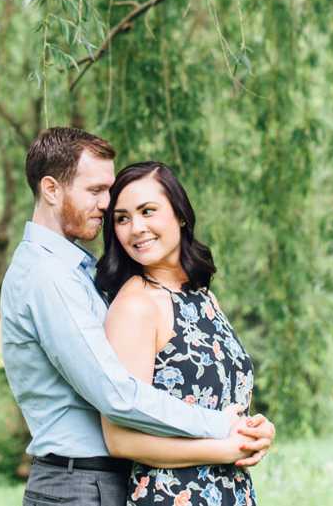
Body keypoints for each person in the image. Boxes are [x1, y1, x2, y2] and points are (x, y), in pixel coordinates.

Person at [1, 128, 275, 506]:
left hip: (99, 480)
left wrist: (248, 429)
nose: (105, 203)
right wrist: (225, 428)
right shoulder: (48, 277)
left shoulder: (74, 270)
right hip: (79, 485)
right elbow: (117, 396)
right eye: (96, 191)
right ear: (51, 189)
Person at [94, 161, 262, 506]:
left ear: (180, 215)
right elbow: (120, 439)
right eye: (122, 218)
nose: (136, 228)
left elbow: (224, 405)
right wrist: (223, 449)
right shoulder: (136, 305)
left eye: (147, 211)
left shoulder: (203, 297)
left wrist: (254, 433)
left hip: (232, 494)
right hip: (170, 495)